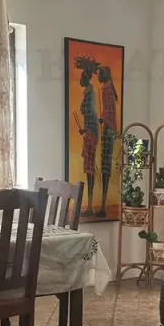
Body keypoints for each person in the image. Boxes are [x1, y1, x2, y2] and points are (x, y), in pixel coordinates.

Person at [75, 56, 99, 215]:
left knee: (90, 170)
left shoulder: (90, 94)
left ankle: (90, 205)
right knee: (89, 169)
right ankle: (89, 205)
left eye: (81, 77)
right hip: (90, 132)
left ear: (85, 77)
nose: (80, 80)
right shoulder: (88, 93)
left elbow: (90, 114)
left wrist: (86, 131)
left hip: (91, 134)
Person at [97, 65, 119, 219]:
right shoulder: (107, 88)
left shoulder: (107, 90)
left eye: (100, 74)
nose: (98, 76)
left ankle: (103, 206)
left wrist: (104, 119)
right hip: (108, 128)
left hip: (108, 130)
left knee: (105, 167)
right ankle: (103, 205)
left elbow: (110, 113)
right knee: (105, 166)